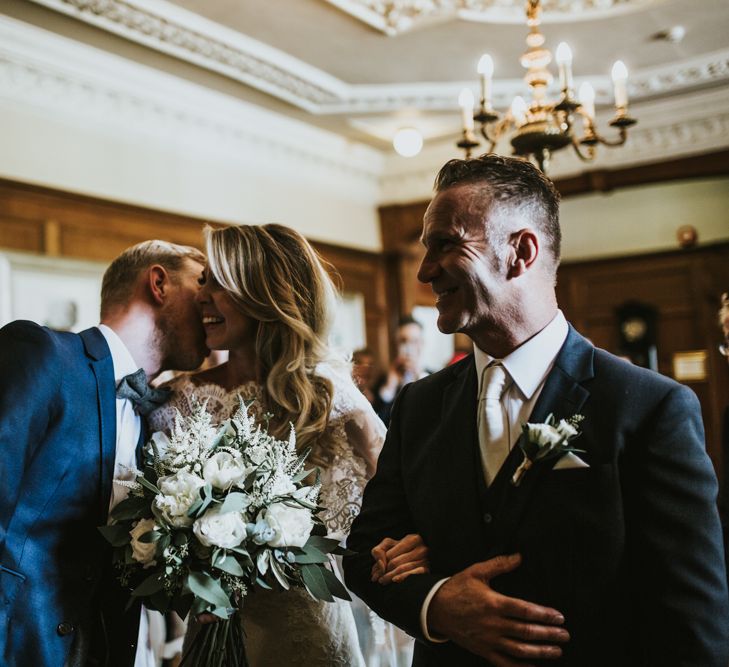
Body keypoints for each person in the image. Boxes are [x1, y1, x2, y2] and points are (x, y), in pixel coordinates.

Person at [344, 154, 729, 666]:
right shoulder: (420, 404)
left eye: (446, 244)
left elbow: (691, 618)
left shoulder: (648, 406)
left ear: (520, 251)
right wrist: (437, 607)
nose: (424, 270)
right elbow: (366, 552)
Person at [148, 223, 421, 666]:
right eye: (203, 282)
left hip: (307, 632)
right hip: (212, 631)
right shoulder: (174, 400)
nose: (202, 296)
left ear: (260, 292)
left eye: (218, 283)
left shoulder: (330, 398)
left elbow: (401, 503)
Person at [0, 240, 208, 667]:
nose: (211, 302)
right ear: (158, 283)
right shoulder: (44, 354)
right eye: (202, 282)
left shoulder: (162, 418)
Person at [372, 315, 429, 425]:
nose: (408, 347)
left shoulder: (436, 376)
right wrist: (389, 387)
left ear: (422, 344)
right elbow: (375, 425)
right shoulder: (383, 382)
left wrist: (420, 377)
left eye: (415, 341)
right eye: (403, 341)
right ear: (395, 345)